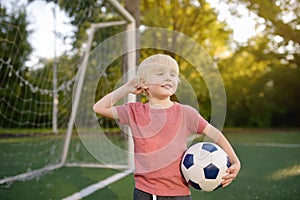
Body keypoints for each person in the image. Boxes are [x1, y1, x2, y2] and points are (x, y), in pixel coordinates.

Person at [93, 54, 241, 200]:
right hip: (144, 192)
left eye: (173, 74)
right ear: (144, 83)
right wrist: (126, 88)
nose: (168, 78)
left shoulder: (186, 113)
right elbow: (99, 107)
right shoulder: (134, 111)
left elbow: (214, 133)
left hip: (179, 193)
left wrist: (235, 161)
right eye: (160, 73)